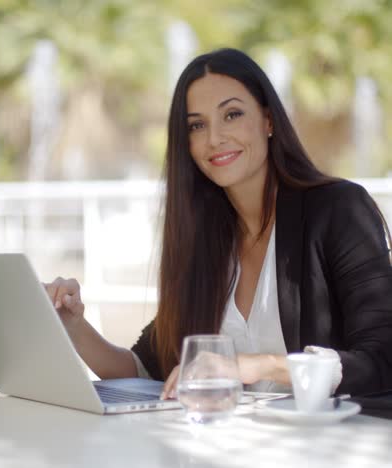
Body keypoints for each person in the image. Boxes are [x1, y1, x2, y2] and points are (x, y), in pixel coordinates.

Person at [45, 48, 392, 399]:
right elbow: (145, 369)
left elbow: (382, 359)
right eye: (197, 125)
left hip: (327, 444)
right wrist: (71, 323)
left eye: (232, 114)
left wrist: (254, 365)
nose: (214, 138)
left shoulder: (337, 209)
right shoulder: (205, 239)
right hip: (225, 445)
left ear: (268, 120)